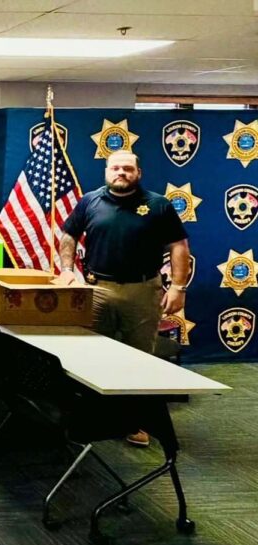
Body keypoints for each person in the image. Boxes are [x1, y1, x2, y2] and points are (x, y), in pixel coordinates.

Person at [59, 150, 191, 447]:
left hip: (142, 291)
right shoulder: (90, 201)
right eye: (115, 167)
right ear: (106, 171)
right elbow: (68, 235)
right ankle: (91, 420)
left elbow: (179, 246)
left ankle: (135, 423)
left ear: (138, 173)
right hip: (97, 290)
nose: (121, 172)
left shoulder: (158, 205)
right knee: (90, 356)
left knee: (138, 359)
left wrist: (178, 287)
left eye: (128, 168)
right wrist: (66, 270)